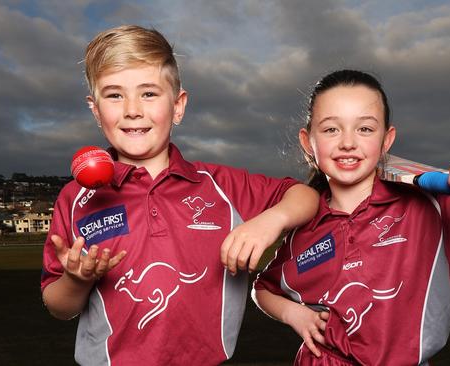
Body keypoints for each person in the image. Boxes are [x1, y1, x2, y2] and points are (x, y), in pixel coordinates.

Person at [40, 25, 319, 365]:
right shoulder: (76, 198)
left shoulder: (219, 184)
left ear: (178, 106)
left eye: (149, 94)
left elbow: (305, 196)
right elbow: (59, 307)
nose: (132, 109)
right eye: (114, 95)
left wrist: (270, 221)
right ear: (96, 110)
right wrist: (76, 279)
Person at [252, 69, 450, 366]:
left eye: (365, 129)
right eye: (331, 129)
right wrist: (295, 314)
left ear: (387, 140)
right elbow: (263, 288)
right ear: (308, 142)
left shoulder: (426, 209)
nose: (348, 142)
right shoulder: (303, 228)